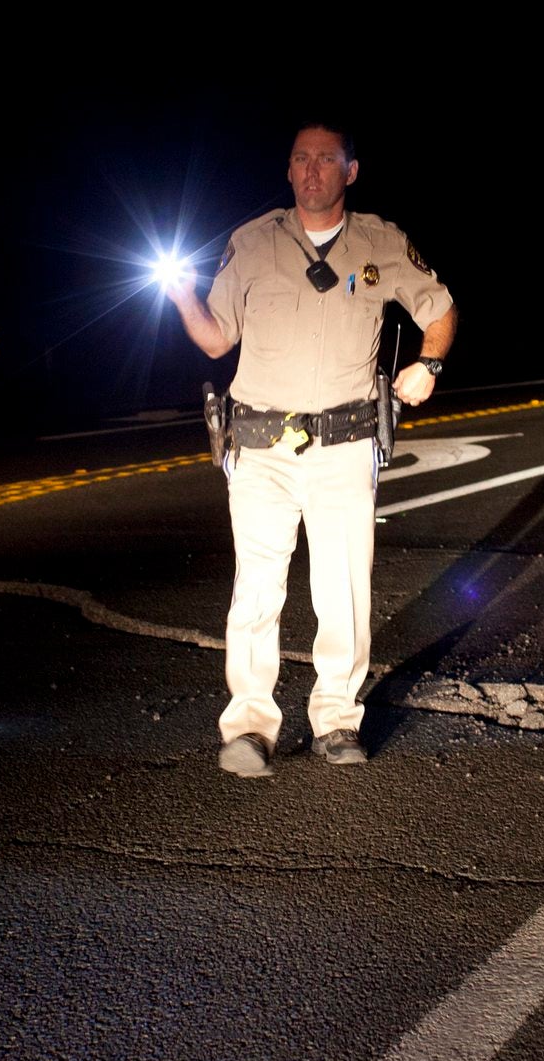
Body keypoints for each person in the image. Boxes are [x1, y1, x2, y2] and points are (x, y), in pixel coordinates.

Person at [164, 121, 457, 773]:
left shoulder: (380, 242)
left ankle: (336, 722)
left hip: (345, 446)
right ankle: (248, 729)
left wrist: (428, 366)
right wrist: (182, 294)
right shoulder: (251, 242)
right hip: (261, 446)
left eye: (326, 160)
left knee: (343, 588)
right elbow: (216, 341)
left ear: (350, 171)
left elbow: (440, 309)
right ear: (289, 170)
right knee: (256, 590)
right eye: (301, 159)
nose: (311, 170)